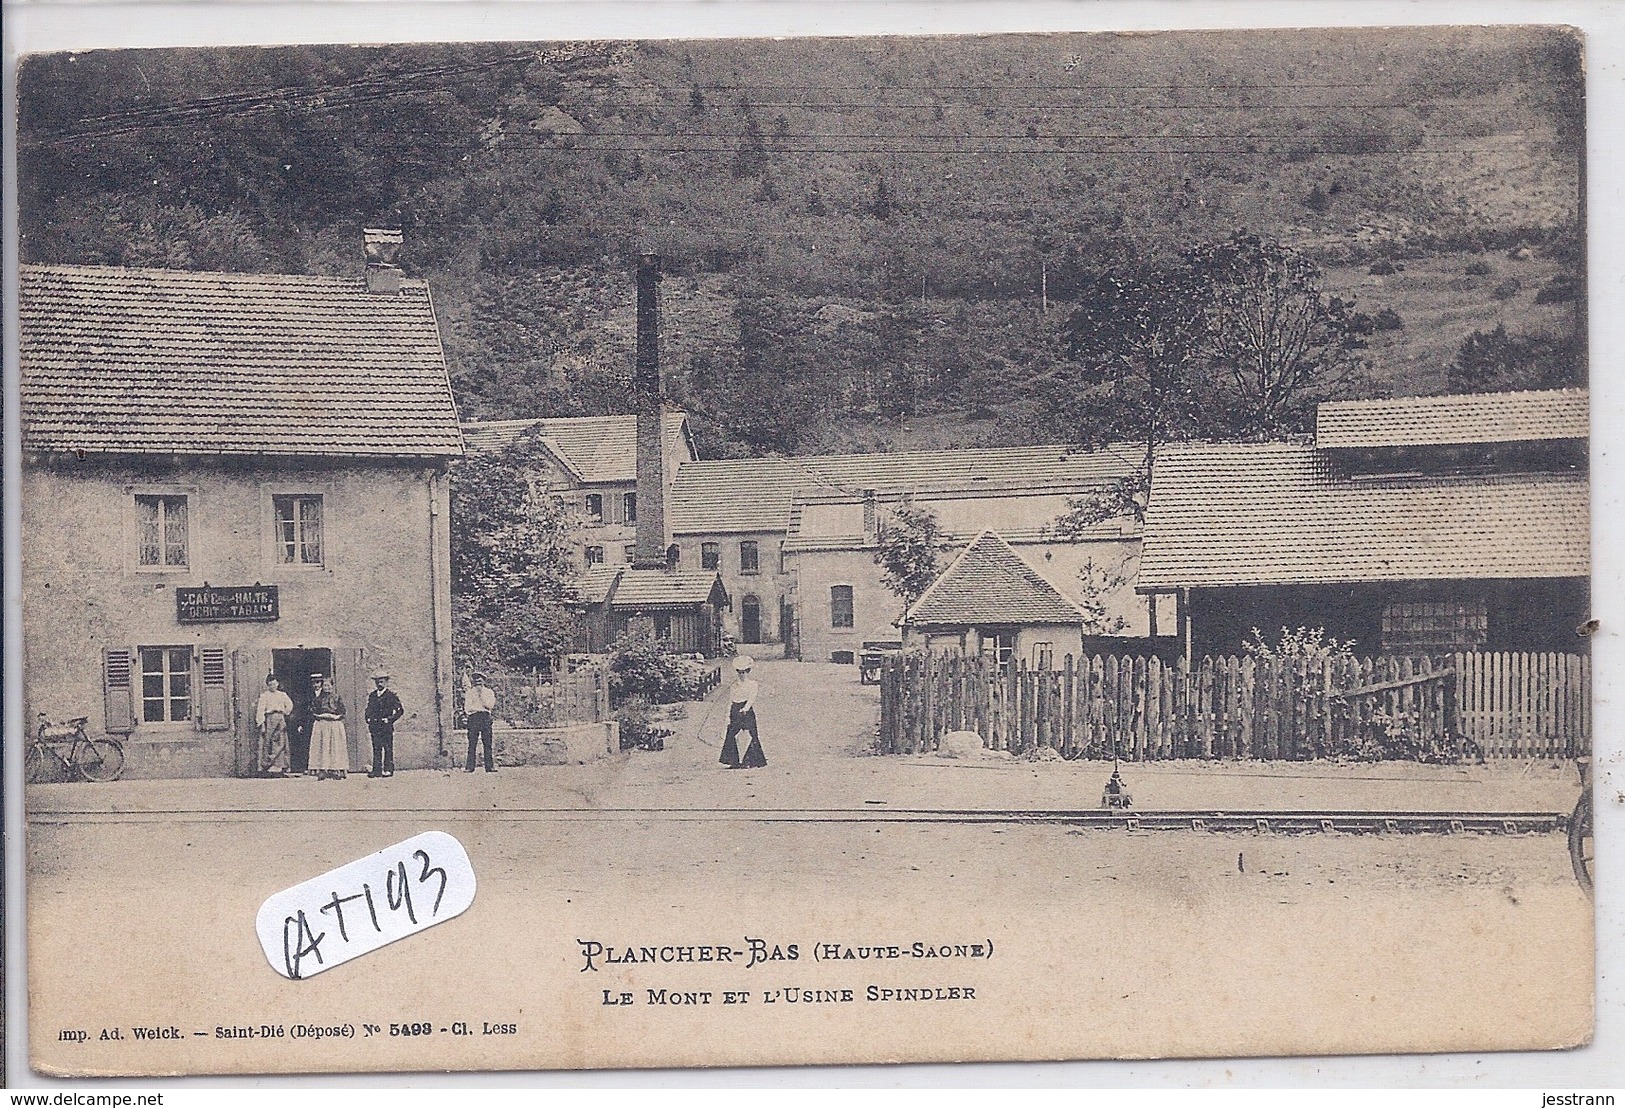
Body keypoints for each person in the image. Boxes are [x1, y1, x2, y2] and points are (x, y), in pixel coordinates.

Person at [719, 655, 766, 770]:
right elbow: (730, 700)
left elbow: (752, 698)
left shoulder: (753, 684)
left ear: (748, 672)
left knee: (751, 734)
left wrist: (745, 709)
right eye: (739, 672)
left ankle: (751, 760)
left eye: (744, 672)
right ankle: (733, 760)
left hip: (746, 711)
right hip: (735, 710)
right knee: (732, 734)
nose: (741, 675)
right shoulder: (734, 685)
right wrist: (728, 715)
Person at [307, 673, 349, 781]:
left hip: (334, 724)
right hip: (322, 724)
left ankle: (336, 769)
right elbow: (312, 711)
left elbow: (343, 711)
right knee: (322, 746)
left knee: (334, 746)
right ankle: (323, 769)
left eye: (329, 686)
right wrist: (320, 716)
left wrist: (336, 716)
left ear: (332, 686)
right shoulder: (318, 699)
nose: (327, 688)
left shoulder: (337, 697)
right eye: (325, 686)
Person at [364, 667, 404, 779]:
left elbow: (400, 710)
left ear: (386, 682)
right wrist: (367, 718)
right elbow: (368, 709)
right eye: (377, 682)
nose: (379, 684)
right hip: (375, 725)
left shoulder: (391, 695)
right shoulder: (372, 695)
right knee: (376, 748)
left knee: (387, 748)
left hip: (386, 725)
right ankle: (376, 770)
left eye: (381, 681)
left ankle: (388, 769)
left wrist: (390, 719)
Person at [254, 674, 293, 777]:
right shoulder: (265, 696)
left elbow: (289, 706)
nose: (273, 686)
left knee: (280, 742)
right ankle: (267, 766)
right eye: (270, 684)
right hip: (269, 719)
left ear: (277, 684)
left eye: (274, 684)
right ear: (267, 685)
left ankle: (279, 766)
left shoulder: (282, 695)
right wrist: (262, 724)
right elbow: (260, 711)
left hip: (280, 718)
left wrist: (284, 712)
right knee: (268, 742)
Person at [464, 671, 497, 773]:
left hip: (485, 717)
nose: (478, 681)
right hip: (474, 717)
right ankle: (470, 767)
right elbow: (468, 708)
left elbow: (489, 705)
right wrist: (476, 708)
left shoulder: (488, 692)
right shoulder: (470, 692)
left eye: (480, 679)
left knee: (487, 743)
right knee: (472, 743)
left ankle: (489, 767)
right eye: (476, 680)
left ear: (484, 681)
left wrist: (481, 695)